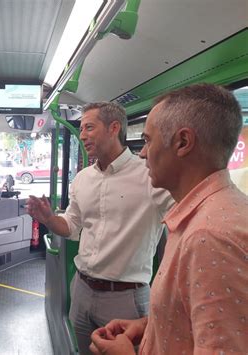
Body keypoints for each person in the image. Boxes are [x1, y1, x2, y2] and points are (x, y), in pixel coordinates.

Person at [90, 83, 248, 355]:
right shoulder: (215, 212)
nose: (142, 153)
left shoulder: (209, 237)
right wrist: (150, 325)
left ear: (183, 143)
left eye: (148, 140)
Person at [27, 102, 174, 354]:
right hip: (82, 290)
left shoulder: (150, 175)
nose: (82, 135)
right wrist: (49, 219)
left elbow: (182, 218)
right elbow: (71, 226)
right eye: (81, 128)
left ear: (113, 128)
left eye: (89, 127)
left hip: (126, 297)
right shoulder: (84, 178)